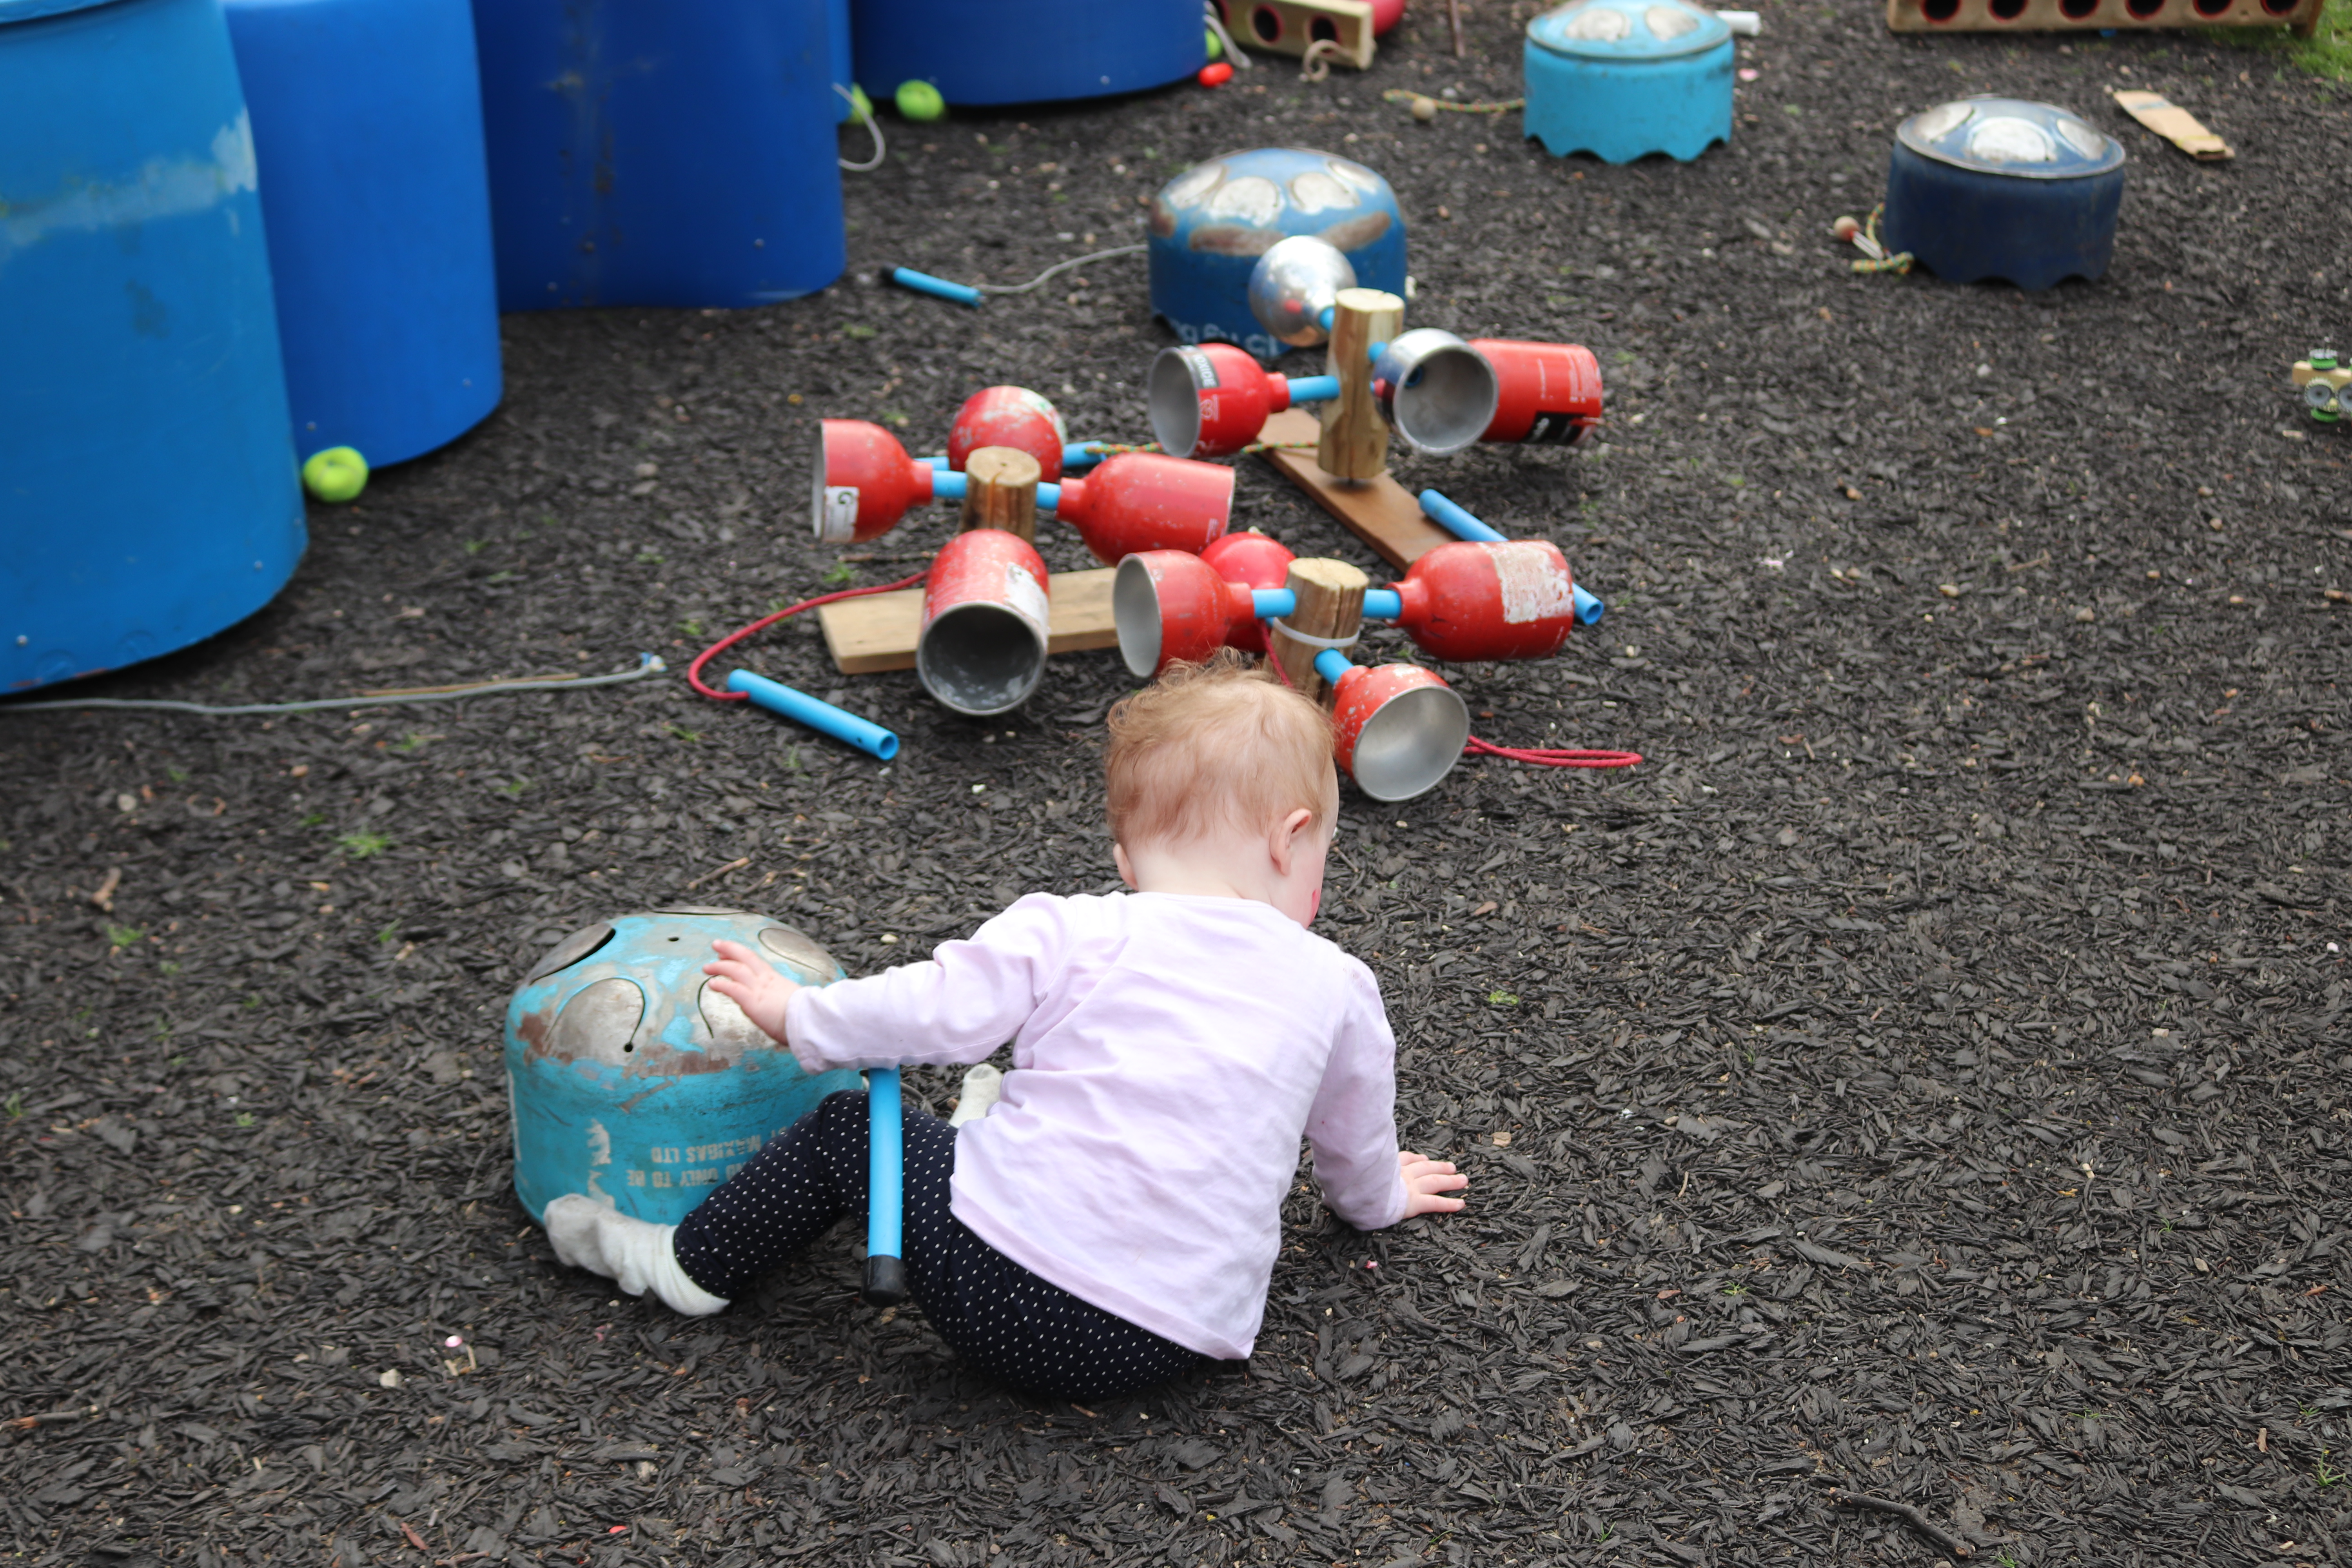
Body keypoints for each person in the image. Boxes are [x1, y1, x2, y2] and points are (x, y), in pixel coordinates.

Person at [542, 655, 1467, 1401]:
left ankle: (679, 1262)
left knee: (848, 1133)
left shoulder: (1078, 926)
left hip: (1012, 1307)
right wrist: (1380, 1198)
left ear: (1126, 861)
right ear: (1291, 837)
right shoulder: (1339, 982)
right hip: (1174, 1341)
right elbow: (1353, 1141)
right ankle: (988, 1140)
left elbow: (930, 1013)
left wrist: (800, 1014)